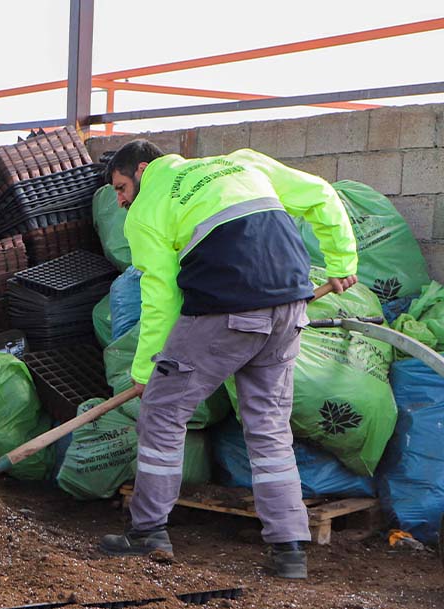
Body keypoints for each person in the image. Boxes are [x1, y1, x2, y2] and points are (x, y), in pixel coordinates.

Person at [98, 139, 358, 580]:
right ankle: (289, 547)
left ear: (143, 170)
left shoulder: (147, 210)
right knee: (269, 427)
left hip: (226, 311)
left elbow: (161, 296)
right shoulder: (241, 162)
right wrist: (341, 260)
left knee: (162, 412)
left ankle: (147, 532)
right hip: (289, 305)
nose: (121, 201)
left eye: (121, 188)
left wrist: (148, 373)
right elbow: (320, 194)